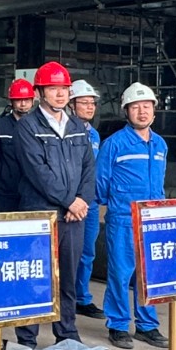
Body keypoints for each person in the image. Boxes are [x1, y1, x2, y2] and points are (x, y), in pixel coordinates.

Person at [11, 62, 95, 350]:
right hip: (40, 215)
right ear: (39, 92)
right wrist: (69, 200)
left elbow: (89, 167)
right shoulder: (27, 127)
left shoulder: (77, 126)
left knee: (68, 279)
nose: (60, 94)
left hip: (73, 218)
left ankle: (67, 334)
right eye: (53, 88)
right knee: (35, 277)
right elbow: (37, 172)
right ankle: (27, 339)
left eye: (64, 89)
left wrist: (81, 200)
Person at [96, 82, 169, 350]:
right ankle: (117, 325)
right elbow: (100, 181)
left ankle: (147, 326)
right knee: (120, 273)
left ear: (154, 111)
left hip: (152, 219)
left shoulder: (160, 145)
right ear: (126, 111)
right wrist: (116, 205)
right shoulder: (114, 144)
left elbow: (159, 181)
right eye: (136, 107)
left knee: (149, 274)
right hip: (123, 219)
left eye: (147, 106)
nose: (142, 111)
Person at [68, 80, 105, 319]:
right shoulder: (64, 130)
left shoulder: (94, 135)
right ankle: (64, 297)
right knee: (66, 253)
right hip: (69, 203)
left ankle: (82, 297)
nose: (90, 107)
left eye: (92, 103)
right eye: (84, 102)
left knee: (87, 252)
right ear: (72, 105)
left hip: (89, 203)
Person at [0, 78, 35, 211]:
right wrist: (4, 174)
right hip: (4, 193)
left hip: (32, 193)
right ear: (11, 102)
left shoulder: (39, 127)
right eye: (18, 100)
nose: (23, 104)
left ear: (32, 101)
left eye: (27, 100)